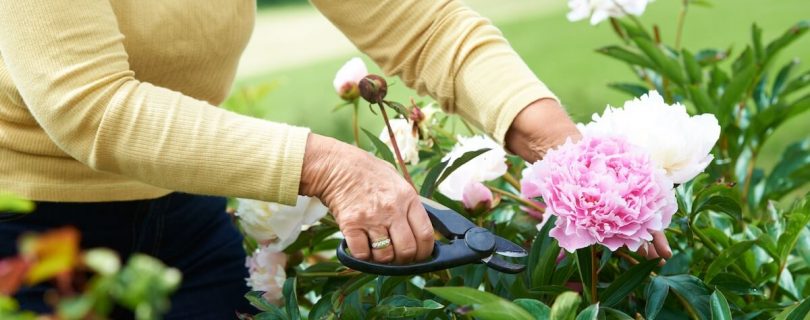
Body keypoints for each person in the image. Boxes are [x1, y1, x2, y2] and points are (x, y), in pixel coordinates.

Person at [0, 0, 671, 318]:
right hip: (31, 250)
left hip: (187, 225)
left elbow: (422, 23)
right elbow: (92, 107)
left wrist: (563, 149)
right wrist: (329, 165)